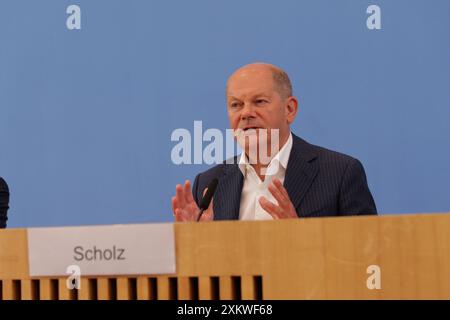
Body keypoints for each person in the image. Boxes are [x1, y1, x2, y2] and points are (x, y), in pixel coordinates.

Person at [172, 63, 377, 222]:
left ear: (289, 109)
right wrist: (197, 243)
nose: (246, 113)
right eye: (236, 105)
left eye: (259, 101)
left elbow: (368, 258)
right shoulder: (209, 185)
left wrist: (301, 237)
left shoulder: (340, 174)